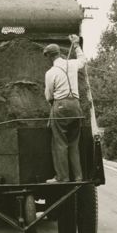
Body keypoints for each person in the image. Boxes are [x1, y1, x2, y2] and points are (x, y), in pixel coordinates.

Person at [43, 34, 86, 183]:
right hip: (76, 105)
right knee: (73, 143)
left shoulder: (50, 73)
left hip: (60, 106)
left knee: (60, 143)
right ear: (60, 53)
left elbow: (49, 95)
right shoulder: (72, 64)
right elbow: (83, 61)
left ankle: (63, 177)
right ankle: (79, 176)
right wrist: (76, 45)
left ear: (49, 57)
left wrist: (52, 104)